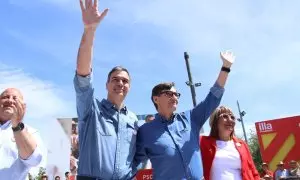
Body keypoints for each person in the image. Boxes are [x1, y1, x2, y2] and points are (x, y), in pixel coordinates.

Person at [135, 51, 235, 179]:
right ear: (156, 99)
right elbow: (132, 162)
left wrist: (226, 67)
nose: (174, 97)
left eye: (176, 94)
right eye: (169, 94)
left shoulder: (191, 118)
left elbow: (213, 98)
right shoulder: (145, 131)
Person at [74, 0, 138, 179]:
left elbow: (137, 154)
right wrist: (89, 31)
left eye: (125, 81)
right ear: (107, 85)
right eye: (115, 79)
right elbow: (83, 76)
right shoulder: (91, 109)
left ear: (129, 87)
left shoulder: (132, 119)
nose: (120, 83)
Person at [200, 106, 260, 180]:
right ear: (215, 122)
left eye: (232, 117)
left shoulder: (242, 144)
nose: (230, 120)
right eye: (225, 116)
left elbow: (253, 171)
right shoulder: (202, 142)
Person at [0, 88, 46, 180]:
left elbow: (34, 159)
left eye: (15, 98)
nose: (10, 100)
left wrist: (17, 125)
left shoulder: (30, 132)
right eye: (6, 97)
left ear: (22, 106)